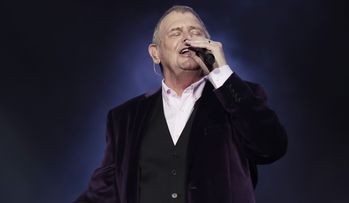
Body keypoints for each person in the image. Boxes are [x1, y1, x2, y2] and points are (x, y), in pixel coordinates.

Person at [74, 5, 287, 203]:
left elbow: (271, 147)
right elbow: (101, 194)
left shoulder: (239, 95)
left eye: (195, 32)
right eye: (176, 32)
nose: (187, 38)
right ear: (155, 53)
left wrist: (222, 73)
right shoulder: (125, 118)